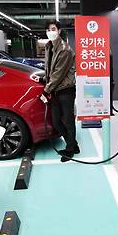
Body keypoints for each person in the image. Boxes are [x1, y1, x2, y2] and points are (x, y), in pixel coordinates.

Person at [43, 19, 79, 161]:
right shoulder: (48, 47)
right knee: (57, 121)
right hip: (55, 90)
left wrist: (46, 89)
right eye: (48, 30)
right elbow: (49, 68)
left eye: (53, 29)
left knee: (68, 121)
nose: (50, 32)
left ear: (59, 31)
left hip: (66, 90)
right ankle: (73, 144)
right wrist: (45, 80)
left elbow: (58, 74)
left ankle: (70, 149)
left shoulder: (65, 49)